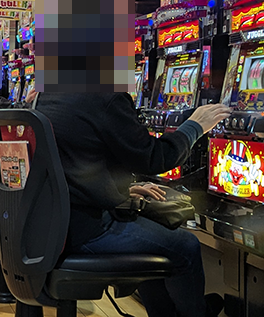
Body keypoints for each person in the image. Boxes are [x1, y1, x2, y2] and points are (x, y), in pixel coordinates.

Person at [34, 92, 230, 317]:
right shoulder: (105, 97)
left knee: (154, 239)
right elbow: (155, 158)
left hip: (50, 225)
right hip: (85, 231)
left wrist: (119, 190)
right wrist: (195, 125)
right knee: (186, 247)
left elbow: (74, 159)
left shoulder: (50, 93)